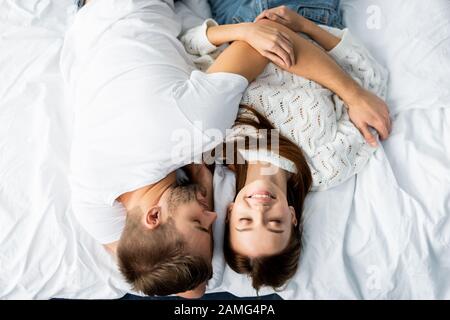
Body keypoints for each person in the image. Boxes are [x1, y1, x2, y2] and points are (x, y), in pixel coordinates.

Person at [62, 0, 387, 297]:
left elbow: (260, 44)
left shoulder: (201, 136)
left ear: (154, 216)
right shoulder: (90, 197)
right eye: (210, 225)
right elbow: (177, 282)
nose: (212, 213)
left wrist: (352, 93)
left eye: (199, 222)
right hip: (91, 20)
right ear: (292, 217)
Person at [181, 5, 389, 290]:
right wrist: (304, 25)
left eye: (246, 220)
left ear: (229, 212)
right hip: (307, 13)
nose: (261, 208)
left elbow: (188, 47)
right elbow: (367, 85)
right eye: (274, 223)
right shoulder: (327, 164)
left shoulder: (216, 148)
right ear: (292, 217)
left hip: (236, 15)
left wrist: (244, 30)